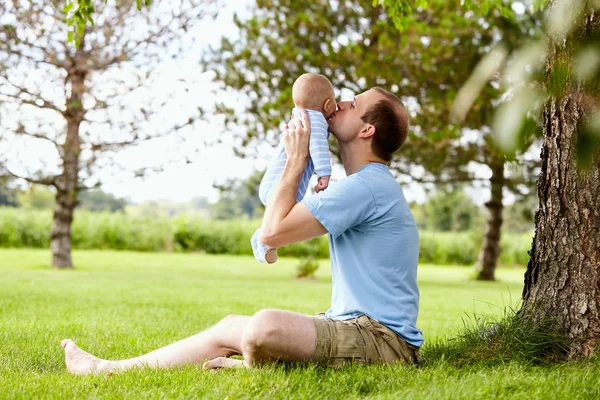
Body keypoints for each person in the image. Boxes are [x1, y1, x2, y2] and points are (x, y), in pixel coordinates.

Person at [61, 87, 423, 374]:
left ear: (366, 130)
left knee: (265, 327)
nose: (341, 103)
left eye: (353, 104)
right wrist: (294, 161)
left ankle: (252, 368)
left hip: (383, 342)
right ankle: (108, 369)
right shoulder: (361, 185)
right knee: (232, 325)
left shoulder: (367, 187)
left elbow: (272, 232)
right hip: (350, 326)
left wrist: (297, 159)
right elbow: (277, 221)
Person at [252, 73, 336, 264]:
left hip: (272, 181)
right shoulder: (315, 120)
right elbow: (318, 146)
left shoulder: (300, 116)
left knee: (289, 214)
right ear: (328, 104)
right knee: (290, 216)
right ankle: (264, 239)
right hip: (281, 185)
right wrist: (324, 173)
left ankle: (264, 238)